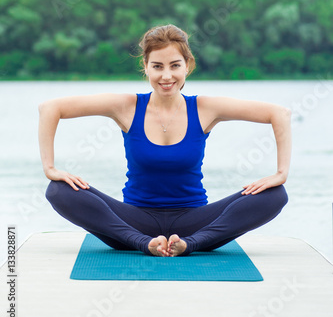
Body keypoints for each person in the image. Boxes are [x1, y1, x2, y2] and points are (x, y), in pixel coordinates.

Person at [39, 24, 291, 257]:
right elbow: (50, 108)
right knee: (59, 190)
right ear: (146, 66)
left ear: (187, 66)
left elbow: (279, 114)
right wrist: (50, 168)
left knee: (275, 195)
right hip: (132, 222)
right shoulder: (127, 106)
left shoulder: (205, 108)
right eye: (157, 66)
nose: (166, 76)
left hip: (195, 223)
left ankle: (189, 245)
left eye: (175, 65)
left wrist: (281, 173)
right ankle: (142, 243)